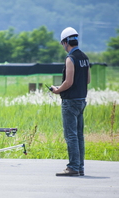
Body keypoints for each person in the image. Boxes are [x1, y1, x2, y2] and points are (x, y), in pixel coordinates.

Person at [51, 27, 91, 176]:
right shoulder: (85, 57)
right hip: (81, 100)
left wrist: (57, 90)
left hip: (70, 102)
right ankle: (80, 166)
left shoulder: (71, 58)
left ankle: (73, 167)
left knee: (71, 135)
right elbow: (88, 80)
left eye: (63, 43)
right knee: (79, 135)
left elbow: (68, 82)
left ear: (66, 42)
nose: (63, 46)